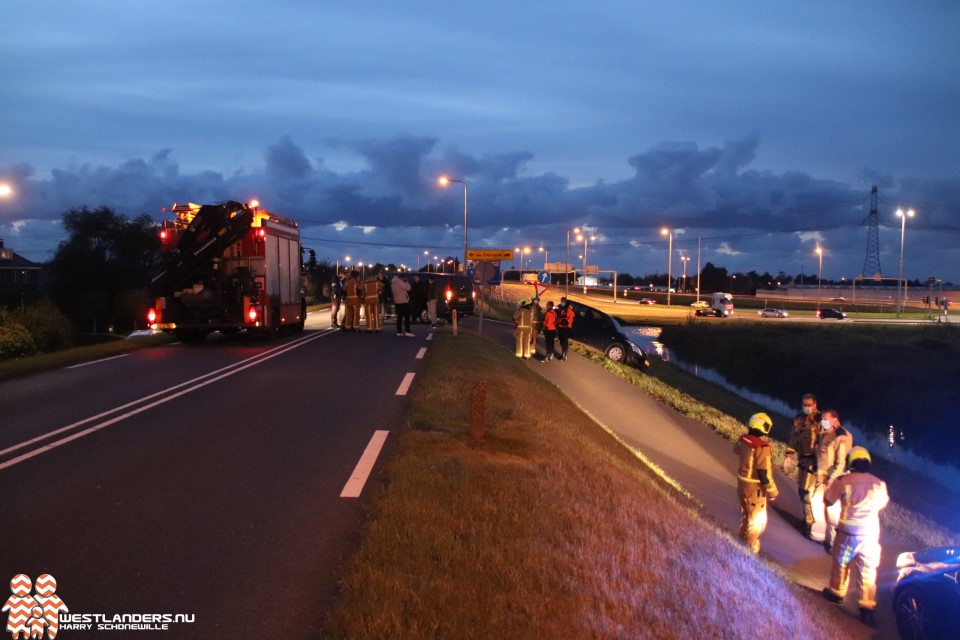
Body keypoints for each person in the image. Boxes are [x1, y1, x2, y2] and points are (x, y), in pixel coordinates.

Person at [821, 446, 889, 626]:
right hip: (870, 534)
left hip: (848, 533)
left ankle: (836, 594)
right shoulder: (879, 483)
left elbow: (828, 500)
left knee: (841, 563)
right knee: (867, 570)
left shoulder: (843, 480)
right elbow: (882, 504)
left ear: (851, 462)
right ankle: (867, 607)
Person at [736, 412, 779, 553]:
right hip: (755, 487)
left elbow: (736, 450)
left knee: (747, 517)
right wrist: (772, 491)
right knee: (757, 522)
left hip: (742, 483)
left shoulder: (744, 440)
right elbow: (764, 473)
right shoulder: (762, 447)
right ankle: (749, 552)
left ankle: (739, 543)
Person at [811, 408, 853, 549]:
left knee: (833, 513)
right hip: (821, 478)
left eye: (826, 419)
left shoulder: (842, 435)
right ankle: (817, 536)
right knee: (816, 503)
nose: (823, 422)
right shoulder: (825, 433)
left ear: (835, 420)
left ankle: (834, 544)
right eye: (822, 419)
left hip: (834, 480)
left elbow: (841, 462)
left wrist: (832, 479)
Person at [784, 393, 821, 537]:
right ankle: (806, 518)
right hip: (802, 460)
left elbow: (826, 438)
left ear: (815, 404)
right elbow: (793, 439)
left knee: (806, 493)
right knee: (801, 491)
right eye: (804, 405)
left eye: (809, 405)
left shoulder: (820, 420)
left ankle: (809, 524)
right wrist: (789, 456)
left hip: (813, 462)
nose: (806, 408)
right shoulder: (798, 419)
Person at [555, 297, 575, 361]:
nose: (562, 302)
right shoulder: (560, 308)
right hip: (560, 327)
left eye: (563, 301)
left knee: (564, 341)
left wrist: (566, 322)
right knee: (561, 340)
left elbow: (571, 318)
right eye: (561, 301)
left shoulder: (569, 310)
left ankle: (564, 355)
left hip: (566, 327)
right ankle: (563, 354)